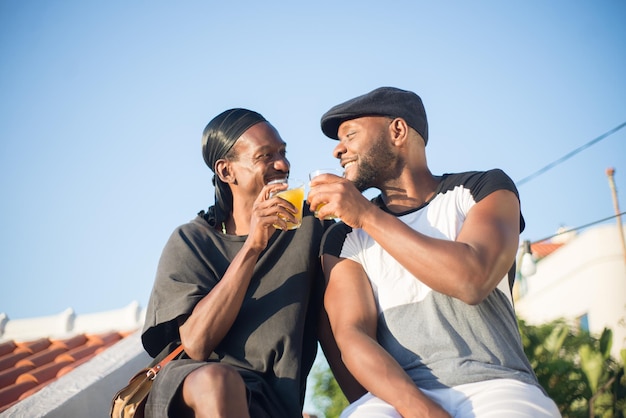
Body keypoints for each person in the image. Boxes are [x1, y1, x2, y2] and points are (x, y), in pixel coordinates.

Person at [307, 87, 561, 417]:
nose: (338, 151)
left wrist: (367, 215)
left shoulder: (481, 190)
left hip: (497, 386)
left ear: (397, 131)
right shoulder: (343, 237)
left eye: (350, 136)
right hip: (399, 399)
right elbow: (352, 337)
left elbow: (472, 280)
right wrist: (421, 409)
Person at [141, 108, 363, 418]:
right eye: (265, 156)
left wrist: (367, 405)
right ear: (226, 172)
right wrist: (253, 246)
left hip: (270, 402)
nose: (282, 164)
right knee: (219, 381)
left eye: (283, 152)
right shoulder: (191, 241)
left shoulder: (311, 230)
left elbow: (337, 327)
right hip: (195, 391)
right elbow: (196, 343)